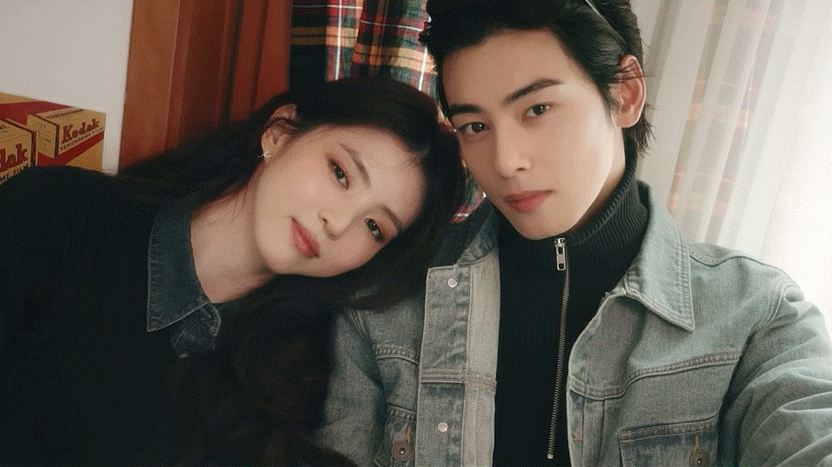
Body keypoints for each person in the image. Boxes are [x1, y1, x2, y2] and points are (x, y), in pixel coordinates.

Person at [315, 1, 832, 466]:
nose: (505, 162)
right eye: (476, 126)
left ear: (625, 93)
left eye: (537, 109)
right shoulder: (388, 299)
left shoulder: (755, 314)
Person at [0, 76, 465, 466]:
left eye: (374, 227)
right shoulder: (55, 213)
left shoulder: (303, 381)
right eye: (340, 173)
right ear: (279, 133)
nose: (338, 224)